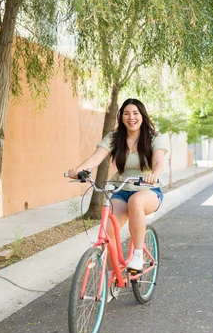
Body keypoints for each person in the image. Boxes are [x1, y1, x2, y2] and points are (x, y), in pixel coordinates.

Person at [67, 98, 167, 271]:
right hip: (122, 189)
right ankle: (115, 274)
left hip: (148, 190)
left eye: (135, 113)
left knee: (136, 201)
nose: (131, 117)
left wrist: (154, 175)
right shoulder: (115, 137)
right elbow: (96, 158)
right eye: (127, 113)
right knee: (107, 230)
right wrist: (78, 169)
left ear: (142, 116)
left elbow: (158, 161)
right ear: (121, 117)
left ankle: (137, 257)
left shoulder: (154, 137)